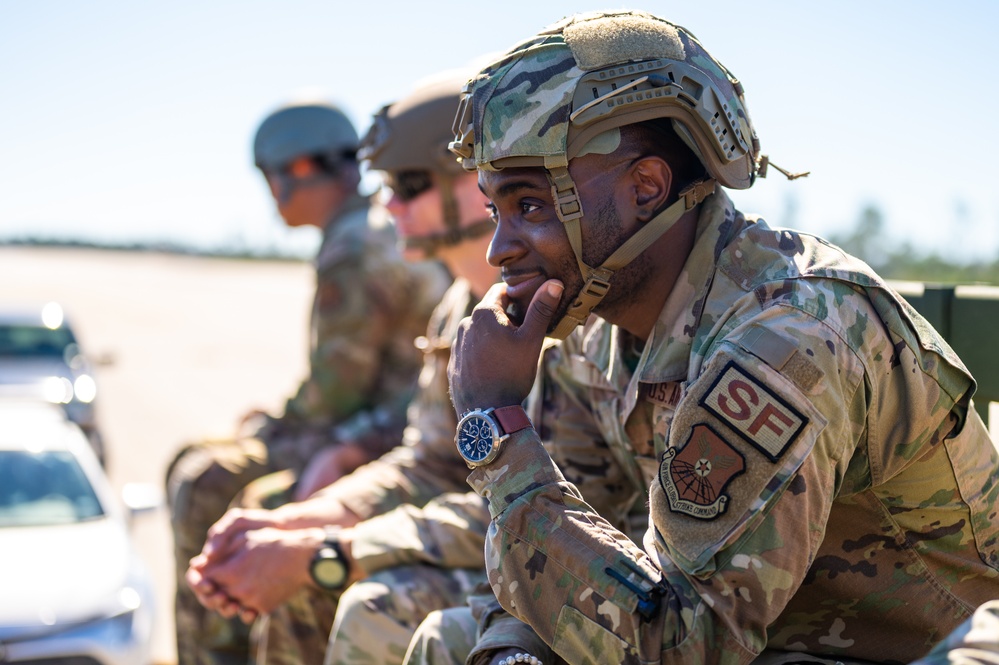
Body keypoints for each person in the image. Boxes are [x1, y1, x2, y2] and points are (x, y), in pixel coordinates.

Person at [442, 9, 999, 665]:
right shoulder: (587, 336)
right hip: (754, 643)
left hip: (906, 652)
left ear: (645, 189)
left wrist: (494, 427)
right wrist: (514, 651)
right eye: (493, 209)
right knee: (447, 642)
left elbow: (686, 646)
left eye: (529, 205)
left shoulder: (786, 336)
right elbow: (577, 550)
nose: (500, 249)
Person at [184, 69, 500, 665]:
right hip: (452, 510)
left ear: (478, 182)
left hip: (531, 554)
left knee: (350, 595)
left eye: (410, 184)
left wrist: (324, 549)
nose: (390, 205)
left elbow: (530, 510)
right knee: (274, 529)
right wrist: (308, 519)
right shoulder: (456, 308)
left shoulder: (548, 311)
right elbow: (430, 462)